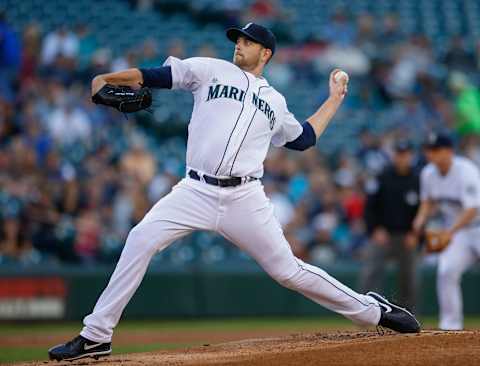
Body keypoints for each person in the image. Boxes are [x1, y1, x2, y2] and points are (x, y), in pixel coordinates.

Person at [48, 23, 420, 362]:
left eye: (249, 41)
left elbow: (304, 139)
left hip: (245, 197)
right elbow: (153, 76)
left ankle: (374, 310)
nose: (240, 45)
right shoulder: (210, 70)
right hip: (194, 189)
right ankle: (96, 335)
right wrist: (105, 78)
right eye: (239, 40)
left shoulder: (275, 101)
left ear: (266, 53)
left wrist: (335, 99)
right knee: (140, 239)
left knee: (288, 271)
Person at [413, 133, 480, 330]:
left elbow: (472, 209)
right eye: (429, 150)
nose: (430, 154)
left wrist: (449, 232)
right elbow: (427, 201)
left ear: (449, 151)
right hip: (457, 233)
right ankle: (451, 326)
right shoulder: (428, 173)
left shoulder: (466, 170)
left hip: (474, 225)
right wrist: (419, 219)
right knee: (446, 271)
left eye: (436, 150)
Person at [361, 140, 420, 311]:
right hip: (383, 234)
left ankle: (409, 314)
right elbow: (369, 206)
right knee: (371, 273)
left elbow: (424, 210)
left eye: (405, 154)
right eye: (399, 154)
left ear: (410, 156)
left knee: (409, 278)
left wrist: (416, 234)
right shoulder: (382, 177)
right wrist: (374, 229)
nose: (402, 158)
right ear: (394, 156)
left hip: (407, 235)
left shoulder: (417, 180)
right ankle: (368, 312)